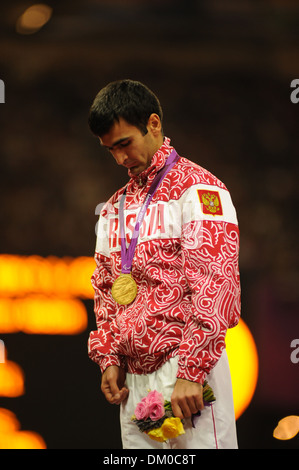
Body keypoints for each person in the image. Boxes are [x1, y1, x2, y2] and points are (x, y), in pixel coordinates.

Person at [87, 79, 241, 449]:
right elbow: (106, 290)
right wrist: (108, 356)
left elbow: (216, 286)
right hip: (136, 382)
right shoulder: (113, 208)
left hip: (189, 372)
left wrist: (192, 370)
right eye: (111, 150)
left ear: (154, 124)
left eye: (125, 143)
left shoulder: (200, 191)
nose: (121, 158)